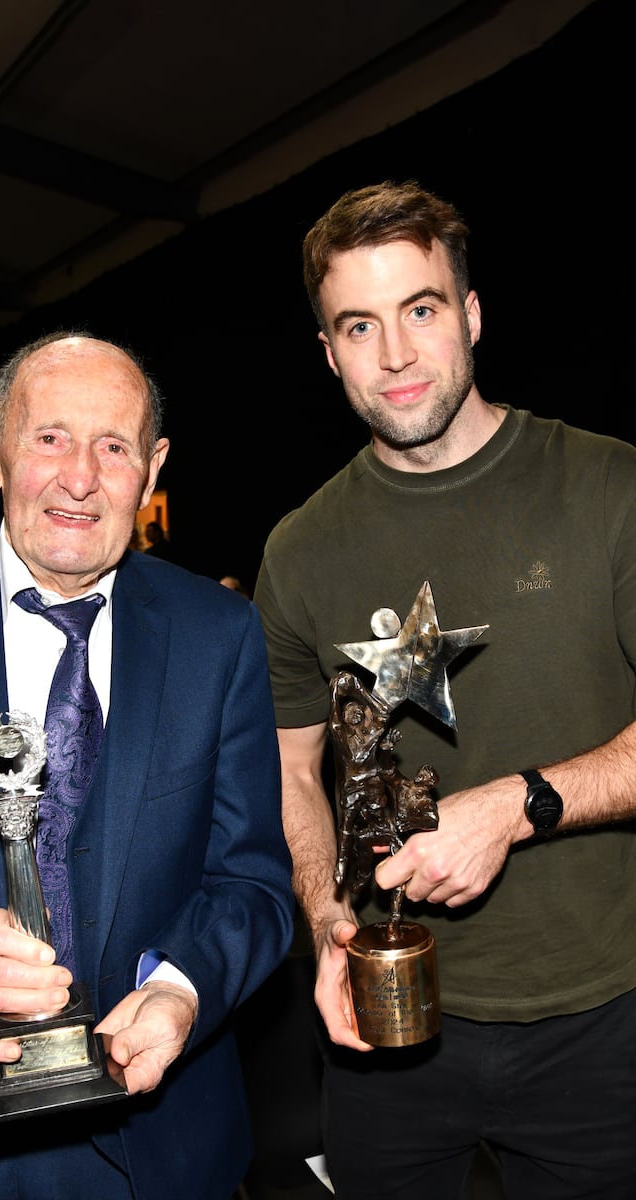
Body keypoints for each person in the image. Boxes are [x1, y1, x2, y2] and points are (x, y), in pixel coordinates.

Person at [0, 330, 295, 1200]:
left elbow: (253, 886)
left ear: (153, 469)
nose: (80, 477)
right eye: (49, 437)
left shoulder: (219, 636)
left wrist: (184, 993)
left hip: (152, 1139)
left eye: (114, 446)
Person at [253, 179, 636, 1199]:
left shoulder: (607, 488)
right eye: (357, 325)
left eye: (420, 310)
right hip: (388, 1032)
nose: (394, 354)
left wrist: (514, 806)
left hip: (604, 1018)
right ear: (327, 353)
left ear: (468, 314)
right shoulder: (297, 551)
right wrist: (327, 923)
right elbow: (292, 774)